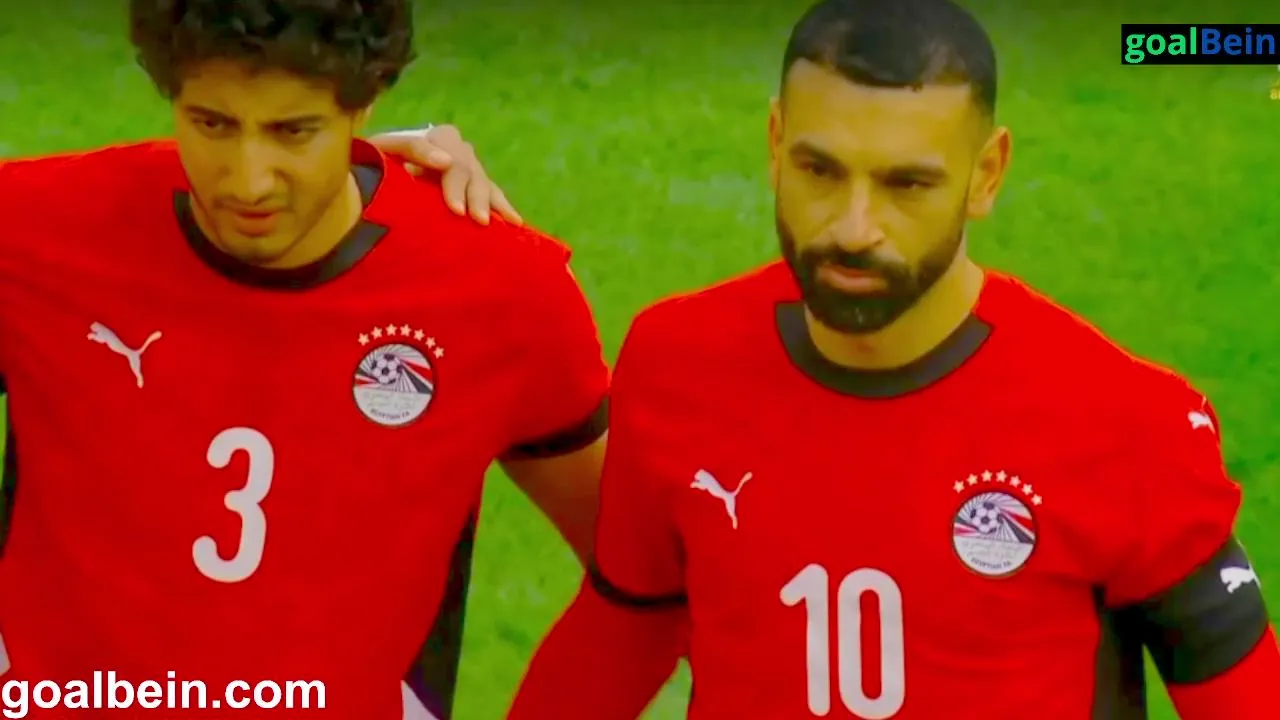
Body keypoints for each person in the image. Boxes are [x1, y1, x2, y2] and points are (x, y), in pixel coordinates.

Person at [507, 0, 1279, 718]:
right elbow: (623, 627)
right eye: (819, 170)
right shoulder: (677, 363)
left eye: (906, 183)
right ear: (775, 143)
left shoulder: (1125, 422)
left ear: (986, 175)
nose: (854, 227)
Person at [0, 1, 606, 718]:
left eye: (293, 131)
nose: (247, 180)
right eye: (212, 124)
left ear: (365, 101)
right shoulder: (29, 235)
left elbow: (649, 576)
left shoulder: (502, 292)